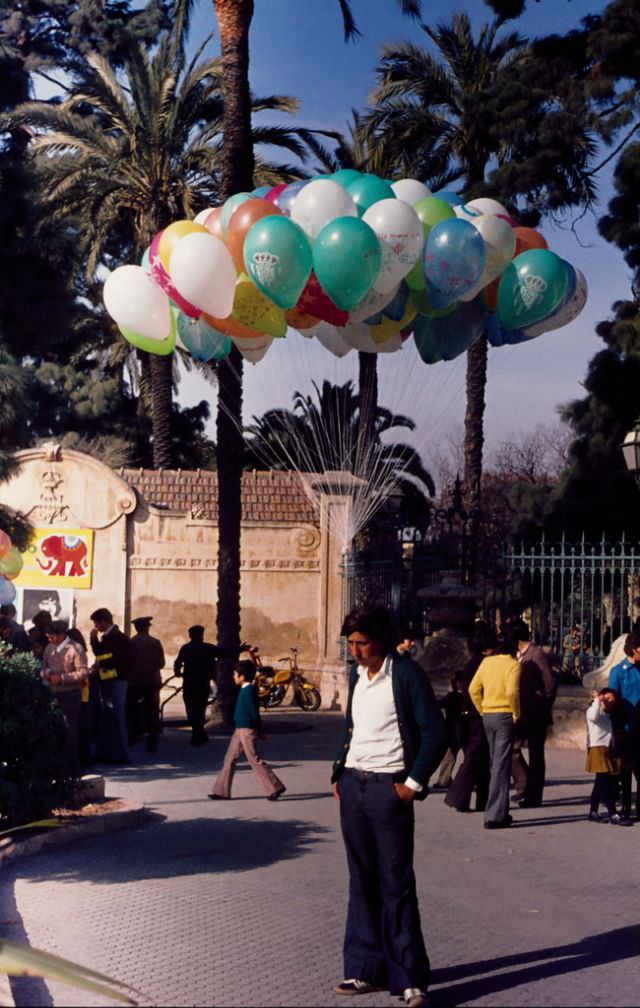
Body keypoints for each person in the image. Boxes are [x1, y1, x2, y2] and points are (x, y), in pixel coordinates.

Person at [331, 605, 447, 1008]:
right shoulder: (355, 675)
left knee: (396, 884)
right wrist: (338, 774)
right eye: (350, 644)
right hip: (353, 787)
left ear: (379, 641)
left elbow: (435, 731)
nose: (355, 652)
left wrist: (412, 785)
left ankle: (410, 978)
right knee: (360, 881)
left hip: (388, 789)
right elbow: (353, 728)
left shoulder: (406, 675)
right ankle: (365, 970)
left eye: (362, 644)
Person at [207, 658, 286, 801]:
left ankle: (275, 787)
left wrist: (259, 729)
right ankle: (221, 791)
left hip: (247, 729)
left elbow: (253, 712)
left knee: (253, 759)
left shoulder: (248, 690)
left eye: (235, 674)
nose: (233, 676)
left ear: (242, 676)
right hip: (239, 728)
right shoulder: (244, 689)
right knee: (229, 758)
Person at [469, 630, 521, 829]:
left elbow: (473, 689)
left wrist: (481, 708)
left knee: (495, 763)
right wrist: (516, 713)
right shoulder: (513, 665)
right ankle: (494, 815)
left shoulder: (487, 662)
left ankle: (501, 810)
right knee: (501, 765)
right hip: (504, 714)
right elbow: (512, 691)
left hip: (488, 714)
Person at [444, 626, 494, 814]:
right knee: (474, 757)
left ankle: (482, 799)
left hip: (470, 714)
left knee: (481, 758)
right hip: (476, 715)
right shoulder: (481, 664)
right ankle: (458, 796)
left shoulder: (474, 662)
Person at [510, 620, 557, 808]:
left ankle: (534, 796)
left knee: (536, 755)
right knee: (512, 748)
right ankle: (524, 785)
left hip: (536, 711)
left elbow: (549, 683)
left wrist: (542, 700)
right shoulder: (516, 655)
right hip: (521, 711)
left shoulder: (536, 654)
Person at [174, 625, 236, 745]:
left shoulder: (186, 648)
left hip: (189, 684)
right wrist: (240, 649)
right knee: (200, 708)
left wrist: (178, 673)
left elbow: (178, 662)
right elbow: (224, 653)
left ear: (190, 636)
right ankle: (199, 732)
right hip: (203, 683)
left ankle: (197, 732)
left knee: (191, 709)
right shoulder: (208, 648)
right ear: (201, 635)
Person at [41, 619, 89, 770]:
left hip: (70, 694)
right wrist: (45, 673)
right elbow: (44, 666)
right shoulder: (49, 647)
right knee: (53, 729)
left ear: (61, 635)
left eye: (52, 637)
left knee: (70, 729)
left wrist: (62, 678)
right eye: (48, 637)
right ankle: (55, 764)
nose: (49, 639)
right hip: (52, 693)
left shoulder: (76, 649)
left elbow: (83, 672)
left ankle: (72, 766)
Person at [90, 607, 131, 765]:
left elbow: (103, 657)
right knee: (107, 717)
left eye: (96, 623)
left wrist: (94, 641)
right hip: (110, 679)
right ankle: (105, 751)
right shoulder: (111, 637)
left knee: (117, 717)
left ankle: (121, 754)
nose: (96, 627)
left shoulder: (114, 638)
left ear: (103, 622)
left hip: (114, 680)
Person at [585, 687, 632, 825]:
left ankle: (593, 811)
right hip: (597, 748)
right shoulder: (594, 711)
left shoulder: (607, 714)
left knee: (600, 782)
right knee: (605, 782)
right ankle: (612, 813)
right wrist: (597, 701)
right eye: (607, 698)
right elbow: (593, 717)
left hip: (606, 748)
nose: (609, 702)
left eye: (612, 700)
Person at [608, 631, 640, 820]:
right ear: (634, 649)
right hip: (626, 728)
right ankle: (626, 806)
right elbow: (613, 698)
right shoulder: (619, 671)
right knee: (626, 771)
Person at [127, 616, 165, 753]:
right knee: (153, 711)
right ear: (147, 627)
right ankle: (152, 741)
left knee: (130, 709)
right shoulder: (155, 643)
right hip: (151, 681)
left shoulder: (131, 643)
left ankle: (131, 736)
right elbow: (161, 664)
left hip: (134, 682)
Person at [431, 673, 464, 789]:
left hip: (455, 729)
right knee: (450, 755)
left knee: (449, 756)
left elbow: (437, 705)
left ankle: (444, 780)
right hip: (455, 729)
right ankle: (445, 779)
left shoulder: (455, 696)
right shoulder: (455, 696)